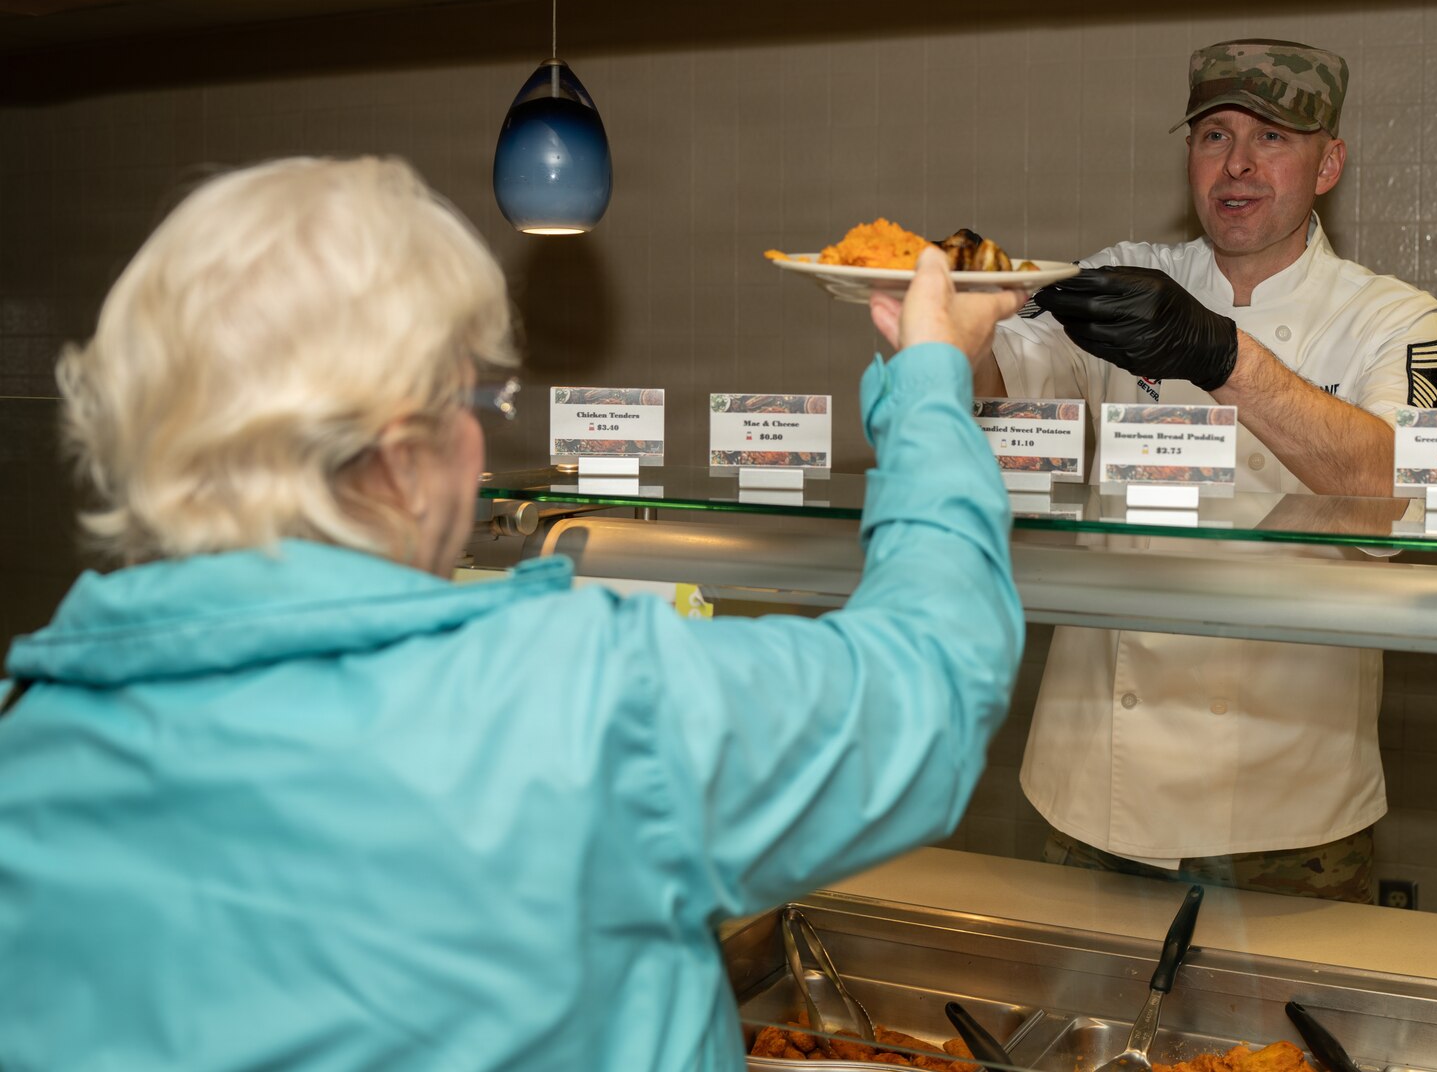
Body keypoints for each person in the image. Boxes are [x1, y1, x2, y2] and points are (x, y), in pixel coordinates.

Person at [0, 156, 1027, 1071]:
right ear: (402, 449)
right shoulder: (575, 701)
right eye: (474, 404)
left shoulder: (28, 743)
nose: (478, 447)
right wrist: (928, 382)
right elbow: (929, 683)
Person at [982, 40, 1437, 901]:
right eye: (1212, 135)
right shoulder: (1128, 277)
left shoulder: (1396, 317)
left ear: (1328, 163)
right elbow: (1004, 399)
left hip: (1292, 810)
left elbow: (1409, 501)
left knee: (1281, 1039)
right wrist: (951, 324)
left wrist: (1220, 352)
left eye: (1273, 137)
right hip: (1097, 791)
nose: (1236, 164)